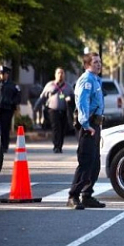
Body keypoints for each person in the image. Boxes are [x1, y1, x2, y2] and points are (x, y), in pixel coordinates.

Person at [67, 52, 106, 210]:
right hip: (87, 126)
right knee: (85, 162)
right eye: (95, 62)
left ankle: (87, 195)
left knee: (95, 164)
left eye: (99, 62)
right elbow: (83, 103)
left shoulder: (96, 80)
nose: (99, 64)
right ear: (87, 65)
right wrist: (85, 124)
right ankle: (73, 196)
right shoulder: (86, 80)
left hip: (95, 125)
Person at [33, 68, 74, 153]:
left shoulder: (68, 87)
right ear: (55, 75)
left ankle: (60, 145)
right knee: (56, 128)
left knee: (62, 129)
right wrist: (36, 107)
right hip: (53, 110)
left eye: (62, 73)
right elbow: (42, 97)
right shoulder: (50, 85)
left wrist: (70, 99)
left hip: (64, 111)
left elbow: (74, 98)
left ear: (64, 75)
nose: (60, 75)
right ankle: (56, 146)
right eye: (59, 73)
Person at [0, 65, 21, 153]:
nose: (2, 75)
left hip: (7, 109)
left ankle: (5, 146)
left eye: (4, 74)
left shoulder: (12, 85)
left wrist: (12, 103)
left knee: (5, 128)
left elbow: (18, 96)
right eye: (1, 73)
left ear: (7, 74)